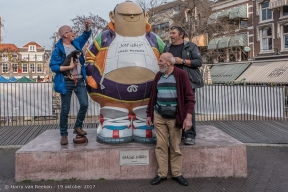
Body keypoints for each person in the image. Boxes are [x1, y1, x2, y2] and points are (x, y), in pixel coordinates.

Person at [146, 52, 195, 186]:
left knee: (175, 146)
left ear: (169, 62)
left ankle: (177, 174)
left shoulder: (181, 75)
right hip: (159, 115)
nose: (158, 63)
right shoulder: (158, 76)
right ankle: (161, 174)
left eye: (161, 61)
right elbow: (152, 97)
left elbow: (190, 98)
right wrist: (149, 114)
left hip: (175, 117)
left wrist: (188, 117)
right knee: (160, 146)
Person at [50, 20, 92, 145]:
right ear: (65, 35)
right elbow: (53, 67)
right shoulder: (58, 50)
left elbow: (86, 35)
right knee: (65, 109)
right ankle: (63, 134)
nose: (74, 32)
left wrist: (87, 26)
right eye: (71, 31)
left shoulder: (77, 43)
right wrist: (69, 67)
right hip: (66, 80)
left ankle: (77, 126)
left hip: (79, 80)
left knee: (84, 104)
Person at [164, 26, 203, 145]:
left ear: (181, 35)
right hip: (171, 81)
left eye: (173, 33)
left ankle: (190, 134)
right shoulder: (167, 47)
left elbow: (199, 62)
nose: (171, 35)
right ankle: (179, 133)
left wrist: (183, 61)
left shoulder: (191, 46)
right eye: (170, 33)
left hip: (188, 81)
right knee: (175, 108)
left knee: (188, 108)